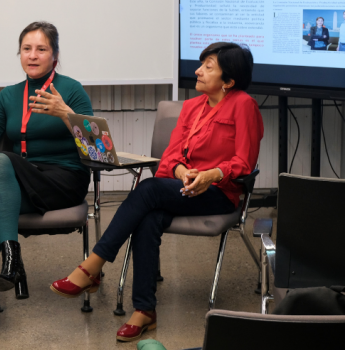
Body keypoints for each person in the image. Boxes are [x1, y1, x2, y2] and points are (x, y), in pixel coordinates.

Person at [51, 42, 263, 342]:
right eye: (201, 64)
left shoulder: (244, 105)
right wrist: (181, 171)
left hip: (220, 194)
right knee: (148, 218)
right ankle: (144, 312)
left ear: (228, 81)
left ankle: (93, 266)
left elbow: (244, 162)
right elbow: (170, 157)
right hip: (184, 189)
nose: (198, 71)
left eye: (208, 67)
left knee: (148, 189)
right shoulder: (191, 107)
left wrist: (211, 174)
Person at [0, 21, 94, 333]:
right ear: (19, 54)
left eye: (41, 49)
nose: (33, 55)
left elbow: (95, 148)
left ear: (55, 55)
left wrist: (65, 112)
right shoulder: (10, 96)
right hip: (24, 180)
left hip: (65, 180)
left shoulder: (71, 90)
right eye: (26, 49)